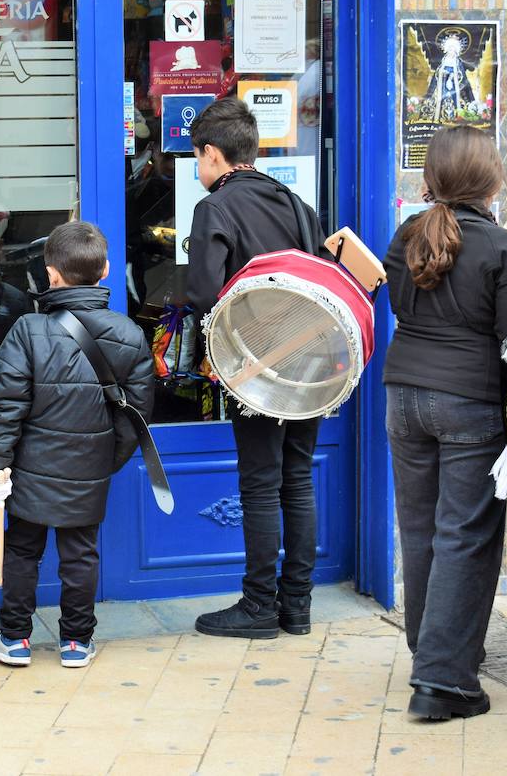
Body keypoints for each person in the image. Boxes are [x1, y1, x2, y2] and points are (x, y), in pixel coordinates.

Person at [383, 126, 507, 720]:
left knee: (419, 530)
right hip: (471, 401)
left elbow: (402, 306)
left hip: (404, 397)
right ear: (492, 178)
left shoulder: (406, 236)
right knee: (465, 536)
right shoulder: (504, 248)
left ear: (432, 179)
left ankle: (430, 655)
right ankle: (444, 681)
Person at [0, 221, 154, 669]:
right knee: (81, 553)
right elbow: (137, 417)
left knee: (21, 550)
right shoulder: (130, 334)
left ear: (50, 273)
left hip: (29, 468)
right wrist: (104, 460)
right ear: (107, 270)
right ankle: (77, 642)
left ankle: (14, 639)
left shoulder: (27, 330)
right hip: (89, 467)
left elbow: (3, 406)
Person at [184, 97, 326, 639]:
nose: (199, 167)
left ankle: (258, 605)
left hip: (257, 367)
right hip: (310, 362)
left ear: (213, 155)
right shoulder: (293, 202)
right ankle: (298, 607)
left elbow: (203, 293)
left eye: (198, 157)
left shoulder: (215, 209)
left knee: (262, 484)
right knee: (298, 480)